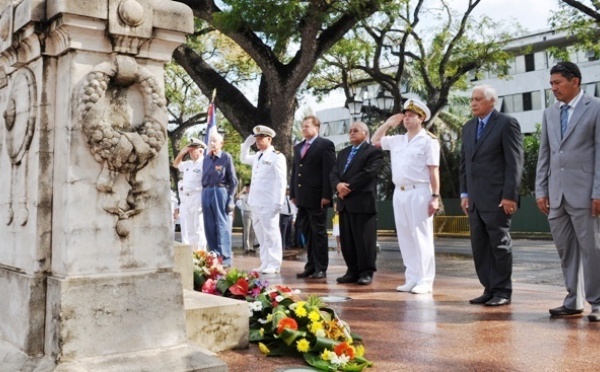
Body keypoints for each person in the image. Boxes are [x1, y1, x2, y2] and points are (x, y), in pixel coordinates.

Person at [535, 61, 600, 322]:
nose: (553, 88)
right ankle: (573, 299)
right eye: (551, 83)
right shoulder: (550, 113)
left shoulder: (595, 108)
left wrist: (598, 191)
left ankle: (597, 302)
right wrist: (541, 189)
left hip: (586, 194)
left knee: (592, 249)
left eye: (557, 82)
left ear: (575, 81)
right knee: (565, 249)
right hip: (556, 194)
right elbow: (545, 153)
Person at [460, 84, 524, 306]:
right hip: (475, 200)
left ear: (492, 102)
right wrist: (464, 193)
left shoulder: (506, 123)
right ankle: (489, 288)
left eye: (478, 99)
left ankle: (503, 291)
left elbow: (514, 162)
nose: (473, 103)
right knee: (480, 247)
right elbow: (464, 163)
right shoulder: (468, 127)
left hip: (498, 199)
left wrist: (510, 195)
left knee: (499, 245)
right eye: (472, 99)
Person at [371, 99, 440, 294]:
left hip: (420, 191)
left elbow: (433, 170)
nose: (407, 118)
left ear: (421, 118)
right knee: (405, 237)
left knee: (421, 236)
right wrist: (387, 124)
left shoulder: (429, 141)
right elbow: (374, 141)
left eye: (411, 115)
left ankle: (425, 280)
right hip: (399, 192)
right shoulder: (398, 140)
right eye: (405, 115)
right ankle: (412, 278)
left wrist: (435, 196)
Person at [331, 121, 384, 285]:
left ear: (365, 134)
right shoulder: (343, 153)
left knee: (364, 240)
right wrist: (338, 185)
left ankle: (366, 271)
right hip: (344, 203)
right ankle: (352, 271)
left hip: (362, 202)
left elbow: (369, 173)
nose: (352, 133)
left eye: (356, 131)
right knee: (348, 240)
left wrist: (348, 187)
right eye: (350, 131)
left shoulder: (373, 152)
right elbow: (334, 173)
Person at [291, 115, 336, 279]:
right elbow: (295, 172)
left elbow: (329, 171)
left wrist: (326, 195)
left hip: (317, 197)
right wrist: (293, 193)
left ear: (317, 128)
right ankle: (310, 266)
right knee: (306, 232)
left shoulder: (325, 145)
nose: (304, 129)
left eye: (307, 126)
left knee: (318, 233)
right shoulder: (298, 147)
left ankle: (321, 267)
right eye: (302, 126)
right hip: (302, 197)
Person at [240, 125, 287, 274]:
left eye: (261, 138)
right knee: (260, 234)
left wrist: (279, 202)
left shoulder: (276, 156)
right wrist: (246, 145)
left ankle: (274, 264)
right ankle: (265, 262)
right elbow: (243, 158)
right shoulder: (258, 156)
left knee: (271, 234)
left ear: (269, 139)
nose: (258, 141)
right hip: (255, 202)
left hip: (269, 202)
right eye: (256, 139)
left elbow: (281, 181)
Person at [202, 132, 238, 266]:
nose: (212, 144)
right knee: (208, 225)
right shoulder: (206, 159)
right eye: (210, 141)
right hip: (206, 191)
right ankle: (214, 254)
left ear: (221, 143)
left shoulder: (225, 157)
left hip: (220, 190)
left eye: (215, 141)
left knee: (222, 224)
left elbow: (233, 181)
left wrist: (230, 199)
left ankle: (226, 257)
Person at [173, 138, 208, 250]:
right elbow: (175, 164)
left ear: (201, 151)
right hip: (186, 198)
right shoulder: (188, 164)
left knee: (199, 228)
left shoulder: (204, 163)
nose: (190, 152)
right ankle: (194, 256)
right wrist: (182, 152)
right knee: (190, 229)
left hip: (197, 197)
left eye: (193, 150)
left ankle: (202, 254)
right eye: (189, 150)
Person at [236, 183, 257, 254]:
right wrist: (242, 190)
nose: (249, 189)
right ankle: (247, 247)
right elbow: (237, 196)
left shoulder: (254, 196)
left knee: (253, 231)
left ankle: (251, 246)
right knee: (247, 231)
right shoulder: (244, 196)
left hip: (253, 213)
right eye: (248, 188)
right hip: (247, 213)